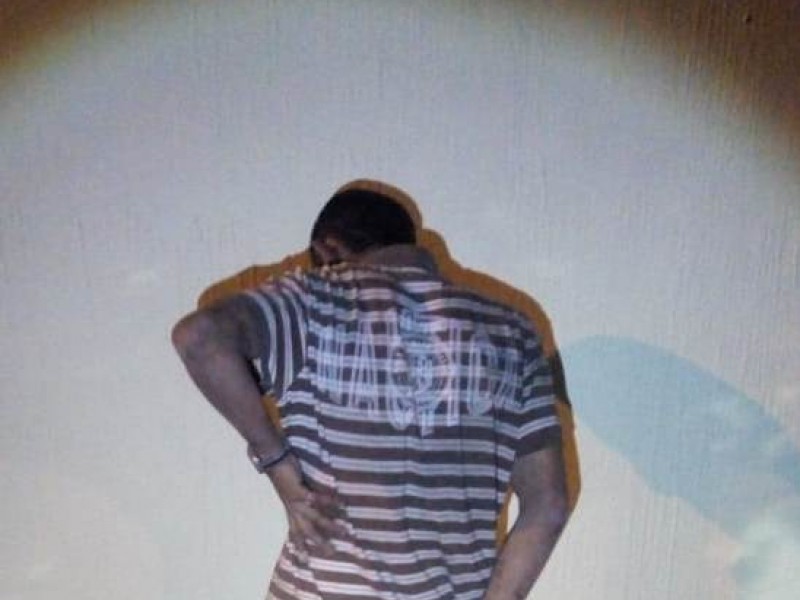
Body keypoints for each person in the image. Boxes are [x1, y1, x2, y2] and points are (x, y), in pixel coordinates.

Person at [172, 186, 569, 599]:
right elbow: (548, 505)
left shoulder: (316, 300)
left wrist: (275, 460)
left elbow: (199, 337)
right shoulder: (513, 332)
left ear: (327, 248)